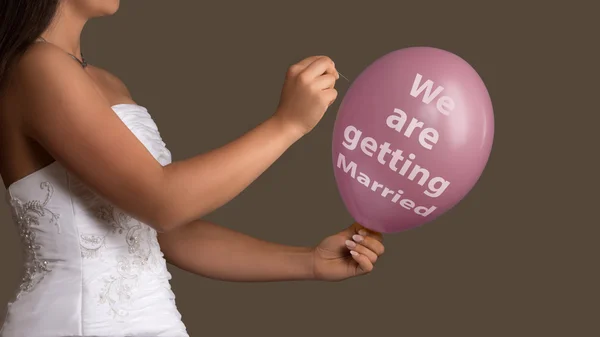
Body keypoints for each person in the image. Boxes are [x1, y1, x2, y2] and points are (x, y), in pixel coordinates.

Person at [0, 1, 385, 336]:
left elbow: (166, 232)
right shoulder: (36, 66)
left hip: (155, 321)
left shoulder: (103, 81)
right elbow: (162, 203)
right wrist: (287, 125)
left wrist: (310, 262)